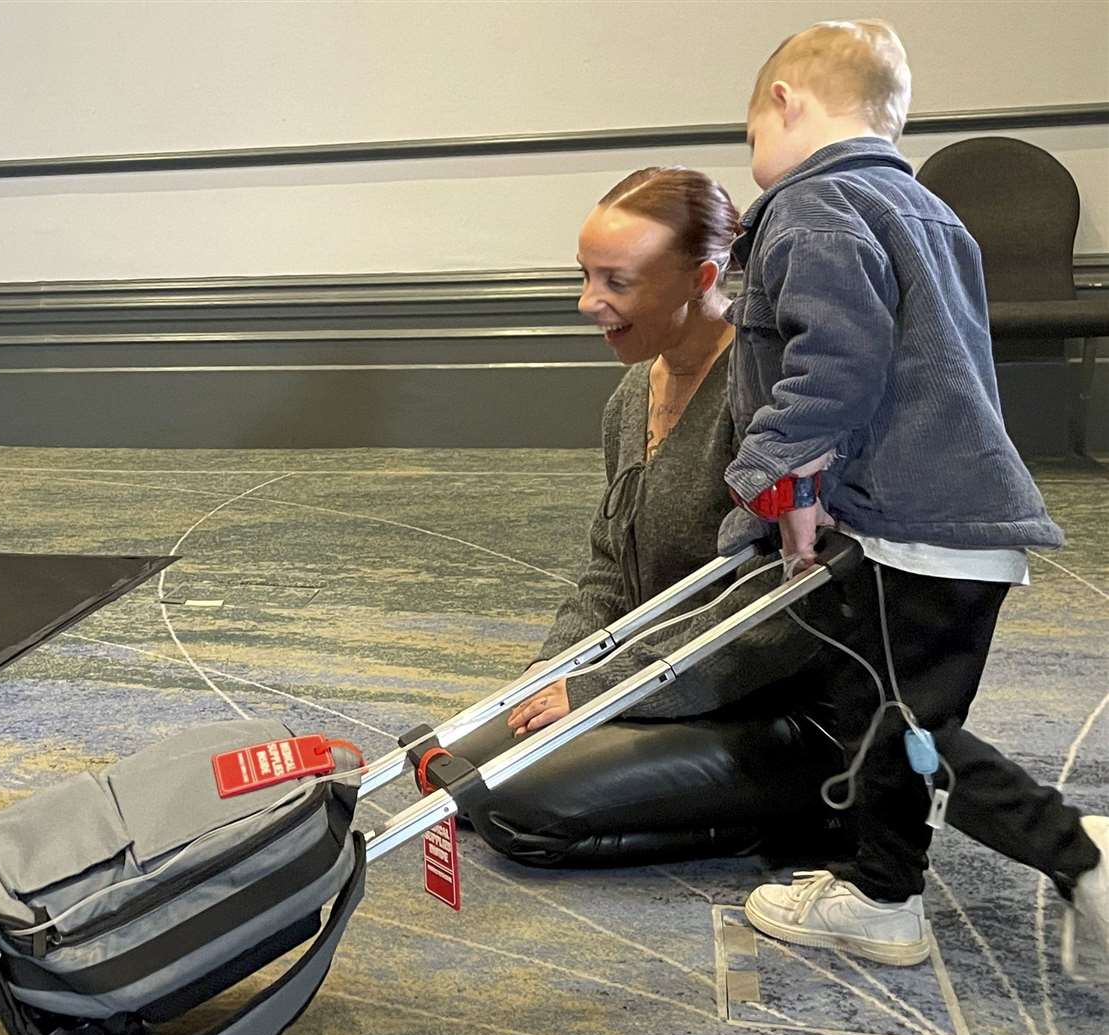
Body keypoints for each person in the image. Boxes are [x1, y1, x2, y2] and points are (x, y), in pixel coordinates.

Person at [722, 19, 1107, 969]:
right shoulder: (927, 209)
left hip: (907, 524)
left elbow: (835, 363)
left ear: (784, 103)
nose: (757, 158)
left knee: (901, 725)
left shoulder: (813, 210)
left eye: (750, 137)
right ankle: (884, 897)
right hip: (960, 516)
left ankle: (1078, 853)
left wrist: (783, 477)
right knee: (886, 717)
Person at [452, 166, 851, 867]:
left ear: (701, 279)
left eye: (617, 282)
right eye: (584, 274)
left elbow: (782, 607)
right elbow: (608, 564)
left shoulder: (768, 403)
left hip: (763, 699)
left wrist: (603, 690)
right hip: (662, 672)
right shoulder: (632, 394)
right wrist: (554, 667)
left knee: (516, 807)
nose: (587, 302)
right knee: (457, 772)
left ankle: (802, 812)